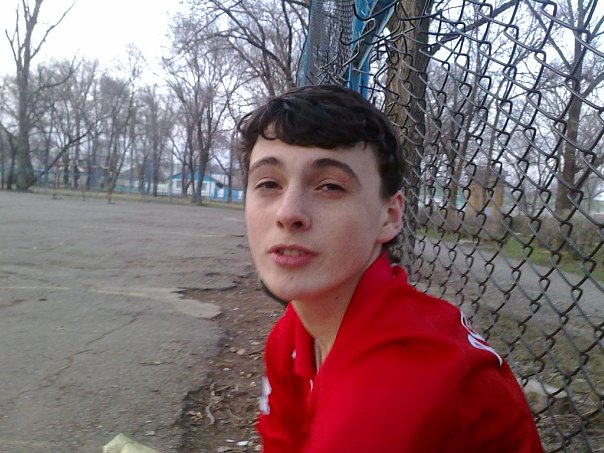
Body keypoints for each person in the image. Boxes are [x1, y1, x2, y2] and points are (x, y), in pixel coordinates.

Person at [237, 85, 543, 452]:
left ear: (390, 216)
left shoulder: (402, 384)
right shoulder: (291, 334)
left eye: (330, 187)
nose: (289, 213)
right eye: (269, 183)